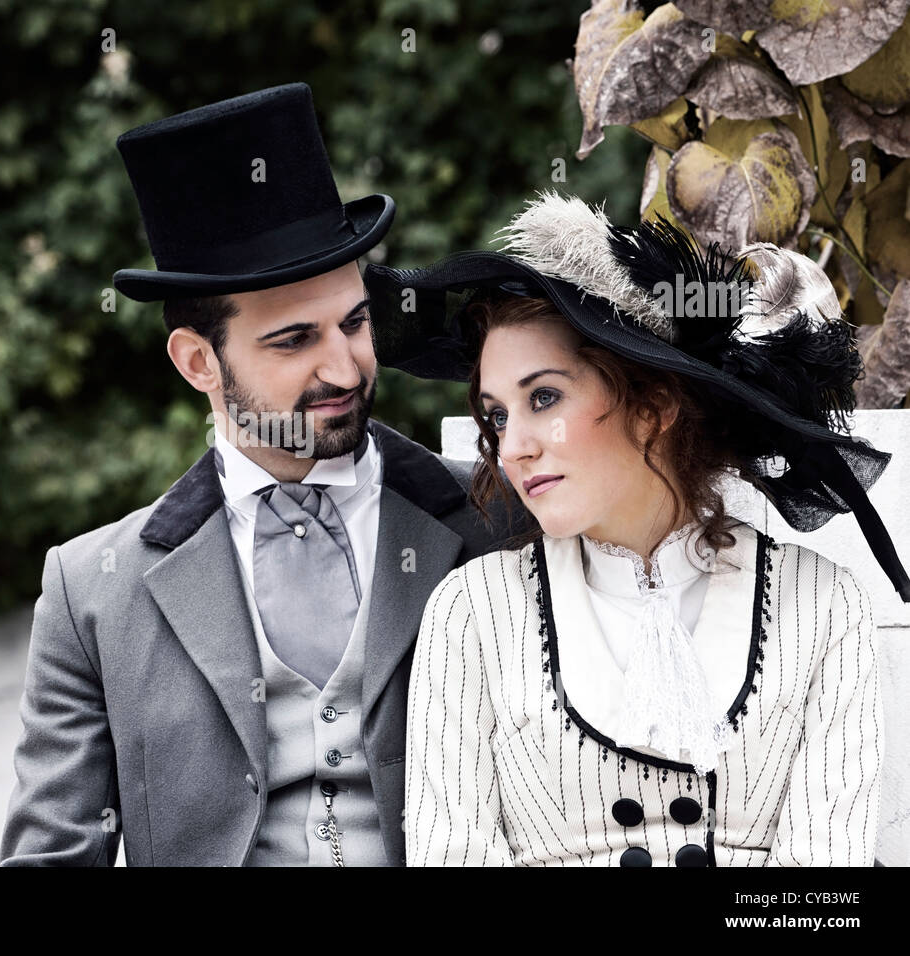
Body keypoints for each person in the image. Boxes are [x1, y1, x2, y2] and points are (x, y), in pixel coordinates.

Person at [0, 83, 532, 867]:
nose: (344, 365)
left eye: (354, 322)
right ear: (197, 362)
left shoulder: (501, 522)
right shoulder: (92, 592)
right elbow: (52, 857)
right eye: (292, 342)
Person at [363, 191, 910, 866]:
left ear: (654, 406)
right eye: (498, 415)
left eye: (544, 398)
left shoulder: (822, 606)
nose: (514, 447)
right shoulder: (472, 614)